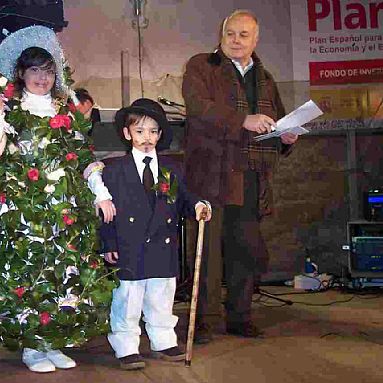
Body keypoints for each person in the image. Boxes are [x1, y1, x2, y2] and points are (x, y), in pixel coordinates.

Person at [0, 25, 116, 373]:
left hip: (63, 207)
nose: (41, 78)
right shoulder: (12, 110)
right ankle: (33, 345)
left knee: (63, 271)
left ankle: (54, 339)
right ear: (21, 73)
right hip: (23, 207)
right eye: (34, 70)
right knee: (30, 272)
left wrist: (101, 194)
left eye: (47, 71)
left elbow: (83, 157)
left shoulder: (67, 115)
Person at [181, 9, 298, 341]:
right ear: (221, 34)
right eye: (230, 33)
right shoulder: (200, 66)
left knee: (245, 248)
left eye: (243, 35)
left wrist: (285, 135)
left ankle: (240, 317)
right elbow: (198, 107)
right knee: (207, 250)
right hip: (211, 172)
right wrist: (242, 120)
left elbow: (275, 117)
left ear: (255, 40)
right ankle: (203, 321)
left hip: (250, 174)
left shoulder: (266, 78)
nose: (236, 40)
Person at [99, 98, 211, 370]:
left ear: (160, 135)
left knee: (161, 297)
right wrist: (108, 243)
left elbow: (183, 198)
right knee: (128, 299)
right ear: (127, 134)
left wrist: (198, 205)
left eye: (152, 131)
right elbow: (105, 212)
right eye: (139, 131)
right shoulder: (114, 171)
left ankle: (163, 339)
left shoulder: (170, 170)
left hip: (162, 244)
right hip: (128, 245)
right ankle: (126, 345)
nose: (146, 138)